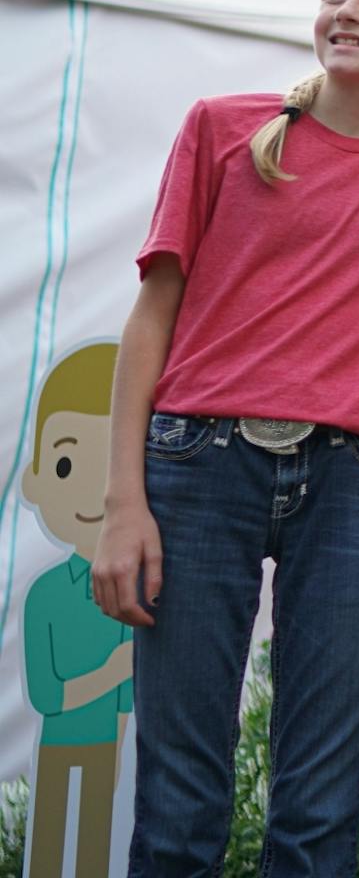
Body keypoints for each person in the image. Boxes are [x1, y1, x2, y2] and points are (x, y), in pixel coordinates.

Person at [89, 0, 359, 873]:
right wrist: (124, 504)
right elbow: (153, 319)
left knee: (322, 790)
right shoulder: (225, 128)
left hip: (355, 485)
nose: (348, 11)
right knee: (182, 786)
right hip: (195, 469)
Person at [21, 344, 130, 878]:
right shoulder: (45, 595)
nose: (95, 489)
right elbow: (46, 694)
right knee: (47, 853)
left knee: (95, 854)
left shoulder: (135, 588)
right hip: (57, 748)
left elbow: (128, 701)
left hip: (108, 751)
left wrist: (120, 764)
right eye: (66, 463)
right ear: (35, 480)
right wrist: (110, 672)